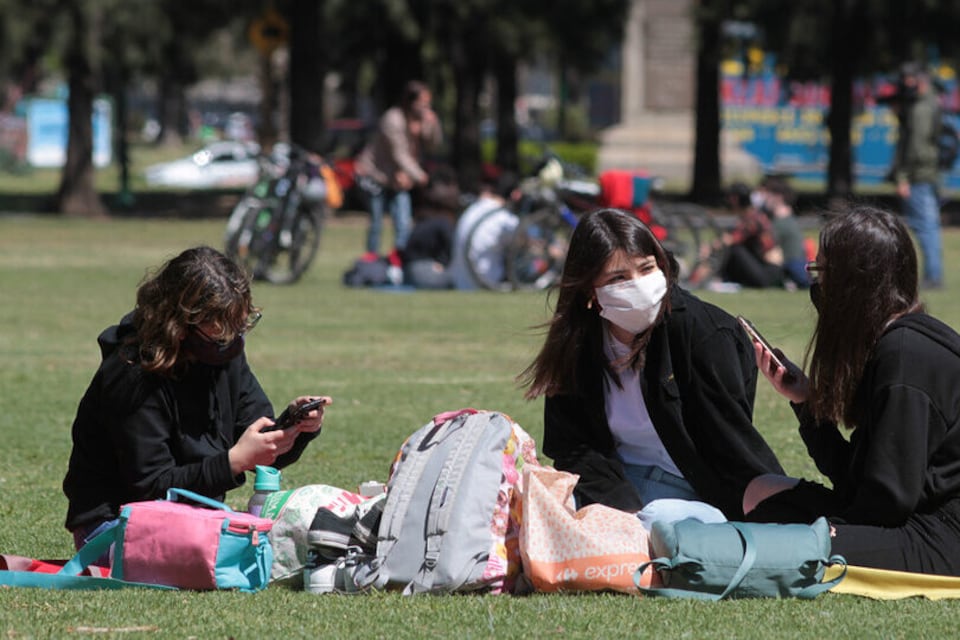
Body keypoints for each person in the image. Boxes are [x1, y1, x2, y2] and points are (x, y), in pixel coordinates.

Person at [518, 208, 784, 519]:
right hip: (613, 484)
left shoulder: (704, 333)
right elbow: (573, 447)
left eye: (646, 268)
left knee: (658, 520)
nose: (639, 285)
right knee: (533, 504)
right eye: (618, 278)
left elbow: (730, 446)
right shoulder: (579, 342)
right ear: (590, 289)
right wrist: (621, 510)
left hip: (692, 492)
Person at [63, 246, 329, 552]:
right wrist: (234, 462)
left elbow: (258, 442)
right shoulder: (131, 374)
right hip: (115, 525)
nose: (232, 340)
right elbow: (150, 486)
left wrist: (295, 428)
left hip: (193, 520)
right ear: (178, 325)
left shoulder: (222, 354)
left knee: (306, 538)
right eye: (220, 333)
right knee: (253, 554)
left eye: (240, 327)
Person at [743, 206, 960, 576]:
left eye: (822, 272)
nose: (818, 287)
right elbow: (861, 482)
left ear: (853, 284)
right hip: (908, 518)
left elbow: (886, 504)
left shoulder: (904, 358)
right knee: (761, 492)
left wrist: (830, 528)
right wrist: (807, 404)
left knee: (787, 541)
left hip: (940, 535)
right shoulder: (893, 344)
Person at [355, 80, 443, 259]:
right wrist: (419, 176)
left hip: (400, 178)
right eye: (422, 103)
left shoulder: (420, 120)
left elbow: (434, 145)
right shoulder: (393, 119)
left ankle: (400, 260)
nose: (426, 107)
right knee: (376, 222)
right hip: (376, 175)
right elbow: (399, 154)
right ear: (411, 102)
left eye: (428, 103)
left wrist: (433, 125)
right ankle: (371, 260)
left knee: (403, 222)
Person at [891, 62, 944, 289]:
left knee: (925, 226)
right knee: (929, 225)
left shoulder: (921, 108)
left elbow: (916, 148)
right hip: (928, 173)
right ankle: (934, 274)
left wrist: (903, 177)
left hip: (919, 176)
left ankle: (933, 276)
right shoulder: (932, 103)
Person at [448, 172, 520, 291]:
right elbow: (526, 242)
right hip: (484, 283)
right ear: (515, 195)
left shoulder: (473, 208)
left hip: (459, 283)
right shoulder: (504, 218)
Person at [756, 176, 811, 289]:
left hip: (792, 267)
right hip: (796, 266)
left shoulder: (781, 221)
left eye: (767, 195)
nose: (764, 199)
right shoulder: (787, 218)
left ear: (778, 197)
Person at [400, 214, 455, 289]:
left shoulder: (425, 224)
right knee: (452, 280)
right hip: (421, 270)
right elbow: (451, 243)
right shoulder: (443, 224)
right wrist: (443, 262)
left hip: (408, 271)